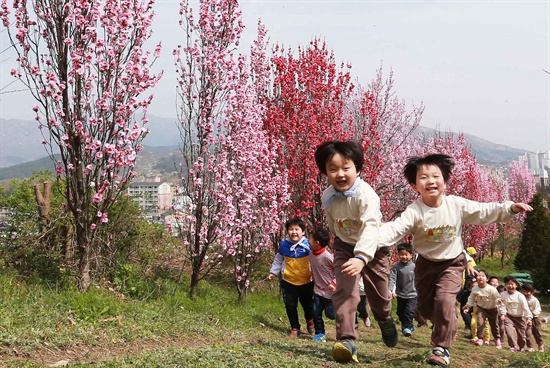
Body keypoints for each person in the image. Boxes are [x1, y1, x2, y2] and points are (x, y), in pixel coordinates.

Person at [379, 153, 533, 367]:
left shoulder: (456, 205)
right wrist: (372, 239)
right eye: (423, 177)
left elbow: (483, 210)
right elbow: (396, 228)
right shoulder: (415, 211)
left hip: (452, 263)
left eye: (436, 176)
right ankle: (444, 320)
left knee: (444, 301)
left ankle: (441, 348)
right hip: (425, 264)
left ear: (444, 181)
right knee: (423, 309)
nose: (430, 181)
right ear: (415, 185)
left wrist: (509, 208)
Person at [314, 140, 397, 364]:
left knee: (379, 296)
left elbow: (371, 226)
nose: (340, 174)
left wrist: (361, 257)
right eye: (333, 169)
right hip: (344, 245)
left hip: (374, 247)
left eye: (346, 168)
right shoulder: (328, 196)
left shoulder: (366, 195)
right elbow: (333, 223)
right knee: (345, 290)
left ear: (358, 169)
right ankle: (346, 339)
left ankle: (385, 319)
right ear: (325, 172)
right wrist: (343, 247)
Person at [268, 218, 314, 337]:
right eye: (291, 229)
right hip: (289, 281)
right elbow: (278, 260)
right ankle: (295, 327)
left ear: (303, 232)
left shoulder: (309, 245)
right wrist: (273, 272)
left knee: (308, 304)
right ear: (287, 232)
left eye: (297, 229)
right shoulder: (284, 246)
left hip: (306, 281)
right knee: (290, 305)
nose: (294, 232)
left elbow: (316, 261)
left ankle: (310, 319)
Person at [461, 269, 502, 349]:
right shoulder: (475, 288)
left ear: (487, 279)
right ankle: (480, 338)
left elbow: (498, 297)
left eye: (483, 276)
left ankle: (497, 338)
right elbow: (471, 298)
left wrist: (499, 301)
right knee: (480, 322)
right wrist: (468, 306)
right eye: (478, 275)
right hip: (481, 308)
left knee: (494, 325)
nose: (480, 277)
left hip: (492, 309)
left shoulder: (491, 289)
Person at [308, 228, 336, 342]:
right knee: (315, 312)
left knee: (331, 314)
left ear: (317, 242)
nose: (308, 241)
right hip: (318, 290)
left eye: (310, 239)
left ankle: (348, 319)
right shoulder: (311, 254)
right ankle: (320, 333)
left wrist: (334, 283)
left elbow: (339, 271)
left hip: (331, 292)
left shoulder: (327, 256)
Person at [389, 242, 417, 337]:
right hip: (401, 294)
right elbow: (392, 279)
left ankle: (407, 328)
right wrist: (390, 290)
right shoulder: (397, 267)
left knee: (409, 311)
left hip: (412, 294)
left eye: (406, 254)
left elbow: (420, 279)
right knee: (400, 312)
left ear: (411, 255)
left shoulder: (414, 267)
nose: (404, 256)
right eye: (401, 254)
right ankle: (408, 325)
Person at [499, 275, 533, 352]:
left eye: (512, 284)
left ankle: (521, 347)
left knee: (521, 335)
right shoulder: (503, 295)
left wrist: (529, 318)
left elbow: (525, 307)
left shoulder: (520, 296)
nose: (510, 286)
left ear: (516, 285)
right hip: (509, 316)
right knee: (509, 331)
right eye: (508, 284)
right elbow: (502, 305)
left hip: (520, 317)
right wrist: (503, 314)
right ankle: (513, 346)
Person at [521, 283, 544, 352]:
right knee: (527, 332)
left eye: (527, 291)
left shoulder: (534, 300)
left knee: (537, 332)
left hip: (535, 318)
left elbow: (538, 309)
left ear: (532, 292)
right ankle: (530, 347)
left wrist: (532, 315)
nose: (525, 293)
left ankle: (540, 344)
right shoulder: (522, 298)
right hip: (525, 317)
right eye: (523, 291)